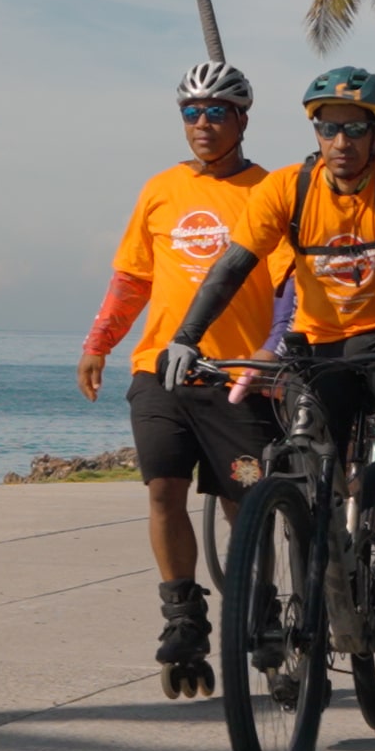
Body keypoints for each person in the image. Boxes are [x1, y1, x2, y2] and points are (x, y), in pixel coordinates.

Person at [158, 68, 375, 595]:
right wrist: (187, 335)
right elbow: (232, 265)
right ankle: (312, 561)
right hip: (323, 339)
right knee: (304, 452)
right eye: (327, 128)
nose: (340, 142)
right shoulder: (287, 187)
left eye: (354, 129)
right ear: (315, 132)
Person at [77, 62, 286, 701]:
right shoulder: (160, 190)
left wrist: (269, 352)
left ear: (242, 119)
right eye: (191, 113)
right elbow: (133, 279)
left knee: (246, 497)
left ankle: (263, 610)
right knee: (163, 489)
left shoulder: (270, 190)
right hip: (161, 372)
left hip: (238, 383)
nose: (202, 123)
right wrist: (98, 343)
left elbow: (288, 286)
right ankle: (183, 616)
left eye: (216, 111)